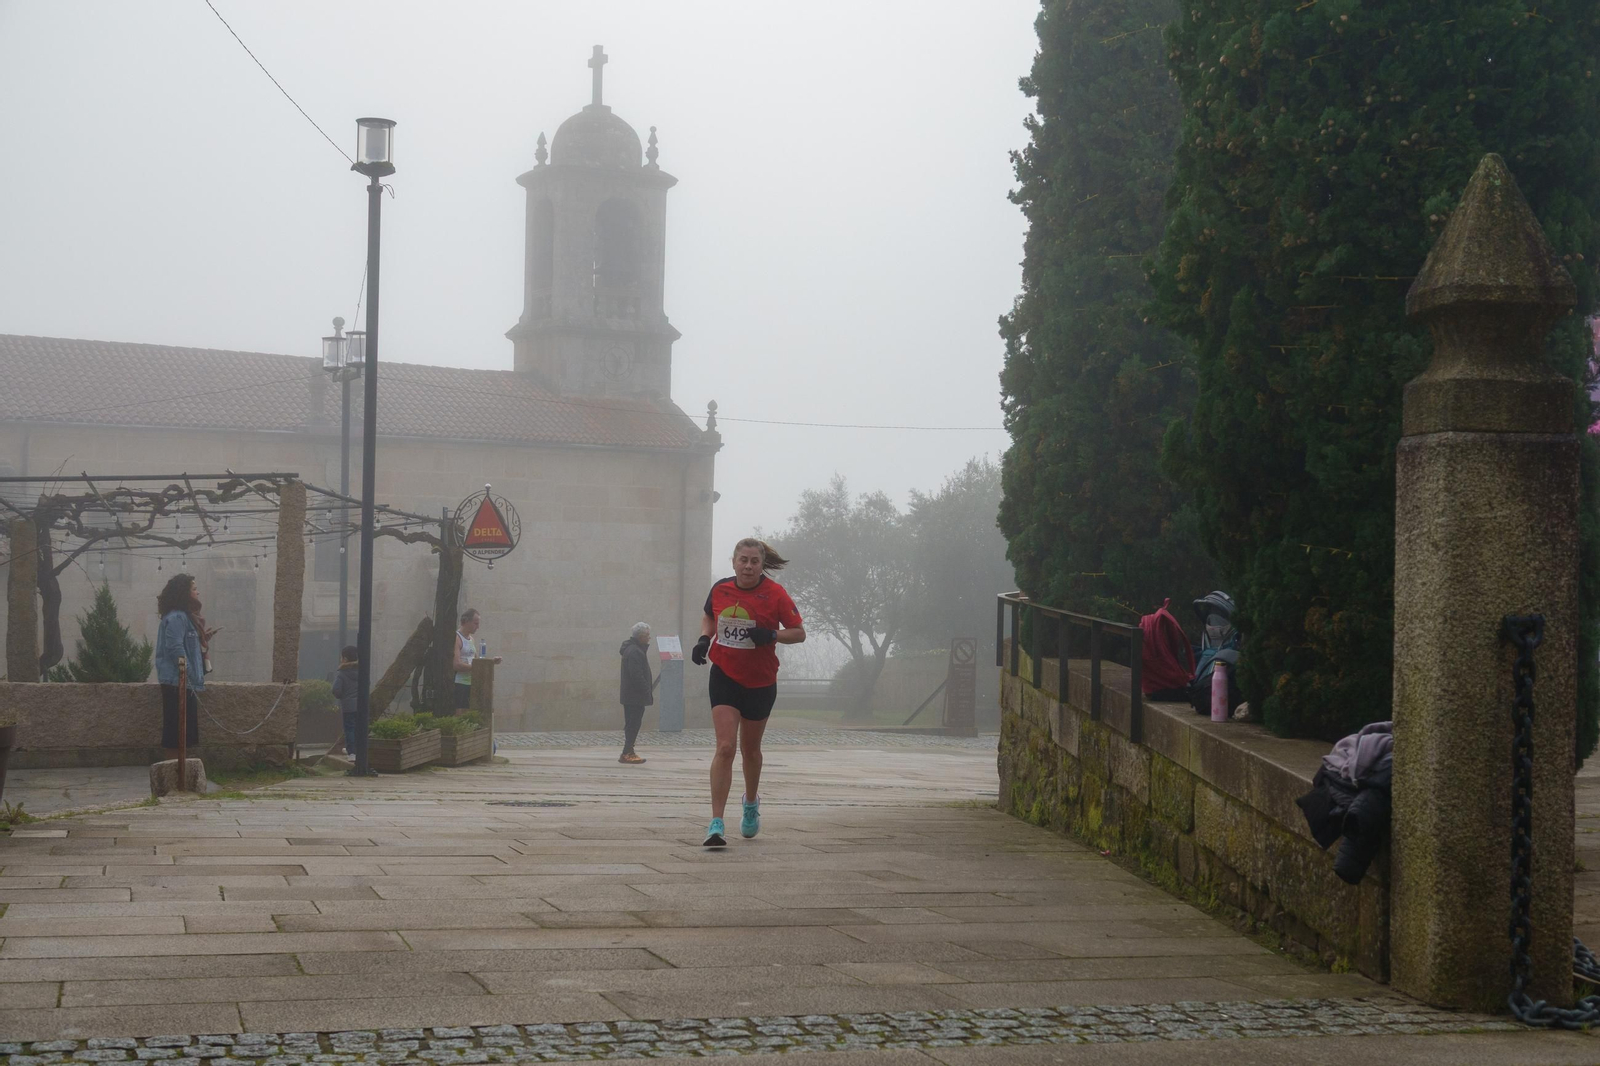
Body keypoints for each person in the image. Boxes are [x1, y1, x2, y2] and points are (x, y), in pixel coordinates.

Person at [690, 538, 805, 847]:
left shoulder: (775, 594)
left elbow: (799, 633)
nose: (749, 566)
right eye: (744, 560)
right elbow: (709, 616)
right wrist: (704, 639)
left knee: (750, 751)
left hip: (761, 681)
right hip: (725, 676)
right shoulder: (721, 589)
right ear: (734, 561)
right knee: (725, 747)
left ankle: (751, 803)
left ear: (761, 564)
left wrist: (771, 634)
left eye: (755, 561)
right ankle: (716, 823)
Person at [153, 573, 208, 759]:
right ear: (184, 593)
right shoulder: (177, 617)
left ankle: (181, 771)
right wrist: (189, 673)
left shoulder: (185, 617)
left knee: (184, 734)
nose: (197, 592)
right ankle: (174, 773)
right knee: (175, 733)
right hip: (177, 682)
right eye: (194, 589)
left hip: (185, 682)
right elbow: (175, 647)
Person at [618, 622, 654, 765]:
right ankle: (627, 752)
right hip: (635, 696)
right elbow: (636, 675)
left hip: (631, 695)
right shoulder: (635, 651)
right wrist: (646, 691)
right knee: (633, 724)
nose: (648, 638)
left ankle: (628, 751)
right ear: (640, 636)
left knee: (632, 723)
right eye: (647, 636)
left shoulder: (633, 649)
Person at [453, 608, 502, 713]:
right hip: (460, 682)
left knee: (471, 713)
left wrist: (491, 662)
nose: (478, 627)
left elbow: (476, 661)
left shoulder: (471, 639)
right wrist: (477, 668)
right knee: (460, 713)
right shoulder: (456, 638)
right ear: (466, 622)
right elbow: (456, 665)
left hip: (472, 681)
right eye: (475, 623)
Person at [331, 644, 359, 760]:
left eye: (341, 657)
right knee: (359, 728)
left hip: (348, 706)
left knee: (349, 729)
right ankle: (359, 750)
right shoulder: (362, 671)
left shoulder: (342, 673)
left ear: (345, 659)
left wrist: (342, 696)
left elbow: (336, 690)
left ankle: (352, 752)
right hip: (361, 705)